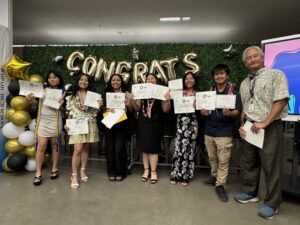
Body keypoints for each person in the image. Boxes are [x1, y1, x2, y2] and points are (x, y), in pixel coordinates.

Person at [234, 46, 289, 219]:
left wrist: (265, 122)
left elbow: (280, 100)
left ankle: (272, 203)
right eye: (248, 58)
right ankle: (250, 193)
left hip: (269, 126)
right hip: (250, 127)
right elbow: (245, 106)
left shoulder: (276, 74)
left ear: (263, 57)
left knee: (271, 166)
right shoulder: (244, 83)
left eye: (255, 56)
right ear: (245, 63)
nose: (252, 59)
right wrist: (242, 125)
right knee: (248, 162)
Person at [201, 64, 242, 202]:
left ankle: (220, 185)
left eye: (221, 73)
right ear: (214, 77)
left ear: (227, 75)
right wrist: (204, 111)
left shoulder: (233, 91)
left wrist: (230, 113)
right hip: (209, 130)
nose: (219, 76)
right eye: (216, 74)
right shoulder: (210, 91)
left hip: (224, 132)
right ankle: (214, 176)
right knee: (212, 158)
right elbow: (204, 109)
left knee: (223, 160)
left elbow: (238, 110)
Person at [131, 73, 171, 184]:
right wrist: (134, 100)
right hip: (142, 123)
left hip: (155, 123)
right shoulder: (141, 92)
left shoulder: (161, 91)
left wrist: (167, 100)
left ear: (156, 81)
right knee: (144, 148)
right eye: (148, 79)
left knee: (153, 148)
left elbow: (165, 110)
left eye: (152, 78)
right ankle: (146, 170)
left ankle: (153, 171)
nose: (150, 80)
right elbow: (137, 108)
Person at [26, 71, 65, 186]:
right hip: (43, 121)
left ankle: (54, 168)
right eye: (50, 77)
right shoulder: (42, 90)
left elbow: (64, 111)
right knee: (41, 146)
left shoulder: (63, 92)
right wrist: (30, 99)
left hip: (56, 121)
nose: (52, 79)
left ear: (59, 79)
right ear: (47, 80)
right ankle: (38, 173)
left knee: (55, 145)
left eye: (55, 77)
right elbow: (35, 104)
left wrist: (61, 105)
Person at [65, 73, 102, 189]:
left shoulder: (94, 96)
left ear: (89, 83)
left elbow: (96, 112)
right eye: (81, 80)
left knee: (86, 148)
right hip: (77, 124)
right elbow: (69, 111)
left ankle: (82, 171)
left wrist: (99, 105)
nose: (83, 82)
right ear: (77, 81)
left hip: (90, 123)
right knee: (78, 149)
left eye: (86, 80)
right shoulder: (71, 96)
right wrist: (67, 123)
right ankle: (74, 175)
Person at [170, 72, 199, 186]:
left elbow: (203, 112)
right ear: (184, 81)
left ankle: (186, 175)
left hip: (192, 124)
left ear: (195, 81)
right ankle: (175, 173)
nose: (189, 80)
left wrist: (197, 106)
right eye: (187, 78)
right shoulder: (179, 94)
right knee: (178, 149)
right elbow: (172, 109)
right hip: (180, 123)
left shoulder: (198, 95)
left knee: (189, 150)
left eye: (191, 78)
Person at [104, 74, 132, 182]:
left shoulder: (126, 93)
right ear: (110, 82)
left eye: (118, 80)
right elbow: (101, 109)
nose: (115, 82)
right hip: (109, 122)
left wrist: (129, 103)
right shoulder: (106, 93)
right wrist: (106, 109)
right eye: (113, 80)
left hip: (122, 123)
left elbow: (130, 111)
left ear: (121, 82)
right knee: (110, 148)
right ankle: (111, 171)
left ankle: (121, 171)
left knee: (119, 148)